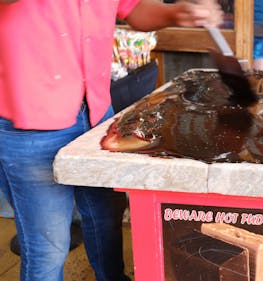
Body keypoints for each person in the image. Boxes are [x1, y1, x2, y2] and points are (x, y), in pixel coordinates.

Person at [0, 1, 222, 281]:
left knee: (105, 220)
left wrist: (176, 12)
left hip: (95, 112)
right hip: (33, 120)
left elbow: (133, 9)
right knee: (47, 248)